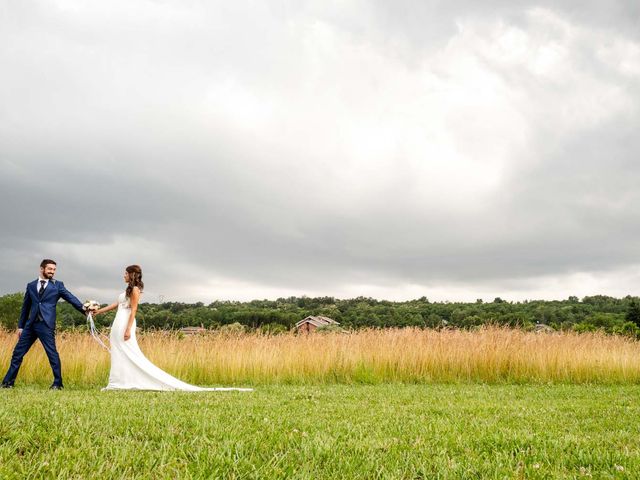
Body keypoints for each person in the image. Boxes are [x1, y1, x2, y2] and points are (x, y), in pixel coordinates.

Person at [93, 265, 252, 392]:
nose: (123, 276)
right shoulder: (126, 290)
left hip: (125, 322)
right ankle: (118, 381)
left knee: (129, 352)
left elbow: (133, 309)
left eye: (125, 273)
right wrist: (99, 311)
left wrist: (128, 329)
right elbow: (117, 304)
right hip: (117, 322)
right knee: (118, 351)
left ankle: (122, 382)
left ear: (132, 275)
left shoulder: (135, 290)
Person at [1, 259, 87, 389]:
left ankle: (58, 383)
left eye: (54, 269)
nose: (52, 272)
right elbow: (26, 307)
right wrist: (21, 326)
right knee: (17, 353)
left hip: (46, 325)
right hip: (30, 326)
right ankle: (8, 383)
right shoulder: (31, 285)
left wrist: (85, 309)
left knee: (51, 353)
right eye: (50, 269)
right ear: (42, 269)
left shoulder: (58, 285)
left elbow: (71, 298)